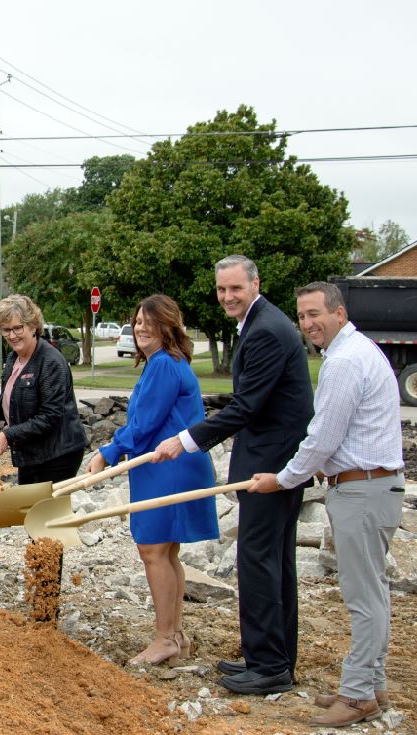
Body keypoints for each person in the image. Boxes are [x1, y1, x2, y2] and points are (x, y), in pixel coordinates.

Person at [153, 255, 314, 695]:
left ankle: (268, 666)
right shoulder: (263, 323)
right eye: (222, 289)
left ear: (255, 283)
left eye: (235, 289)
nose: (227, 296)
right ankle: (270, 655)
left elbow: (247, 407)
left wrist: (185, 440)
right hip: (277, 461)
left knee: (260, 562)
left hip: (271, 465)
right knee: (274, 561)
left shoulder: (265, 331)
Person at [248, 282, 404, 728]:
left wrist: (282, 479)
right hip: (370, 487)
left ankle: (357, 697)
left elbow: (322, 438)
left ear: (339, 313)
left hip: (363, 490)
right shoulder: (355, 352)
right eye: (302, 316)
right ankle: (370, 686)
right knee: (373, 592)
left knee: (363, 597)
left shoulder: (345, 362)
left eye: (316, 313)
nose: (309, 323)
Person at [85, 294, 218, 665]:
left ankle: (165, 639)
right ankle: (176, 635)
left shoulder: (162, 365)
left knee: (153, 551)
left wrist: (106, 452)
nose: (141, 328)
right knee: (167, 551)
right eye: (138, 322)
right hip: (174, 465)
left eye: (150, 323)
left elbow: (144, 425)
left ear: (167, 326)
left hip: (168, 469)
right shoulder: (169, 362)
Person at [0, 294, 88, 485]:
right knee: (28, 509)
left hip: (57, 454)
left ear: (33, 326)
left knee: (45, 513)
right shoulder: (12, 359)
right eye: (6, 330)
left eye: (18, 328)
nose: (12, 335)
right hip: (31, 451)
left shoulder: (51, 362)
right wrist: (8, 430)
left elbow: (50, 416)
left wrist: (9, 435)